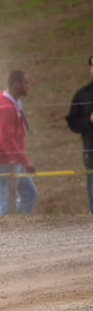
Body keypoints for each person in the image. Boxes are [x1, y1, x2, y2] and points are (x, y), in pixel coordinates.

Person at [0, 70, 36, 216]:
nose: (28, 86)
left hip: (14, 159)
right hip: (4, 161)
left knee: (29, 194)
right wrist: (25, 161)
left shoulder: (13, 102)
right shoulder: (6, 108)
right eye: (25, 83)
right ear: (16, 85)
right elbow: (6, 140)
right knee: (6, 203)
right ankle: (3, 233)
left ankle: (16, 226)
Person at [65, 54, 93, 214]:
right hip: (91, 152)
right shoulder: (82, 95)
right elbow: (72, 122)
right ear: (90, 69)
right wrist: (89, 120)